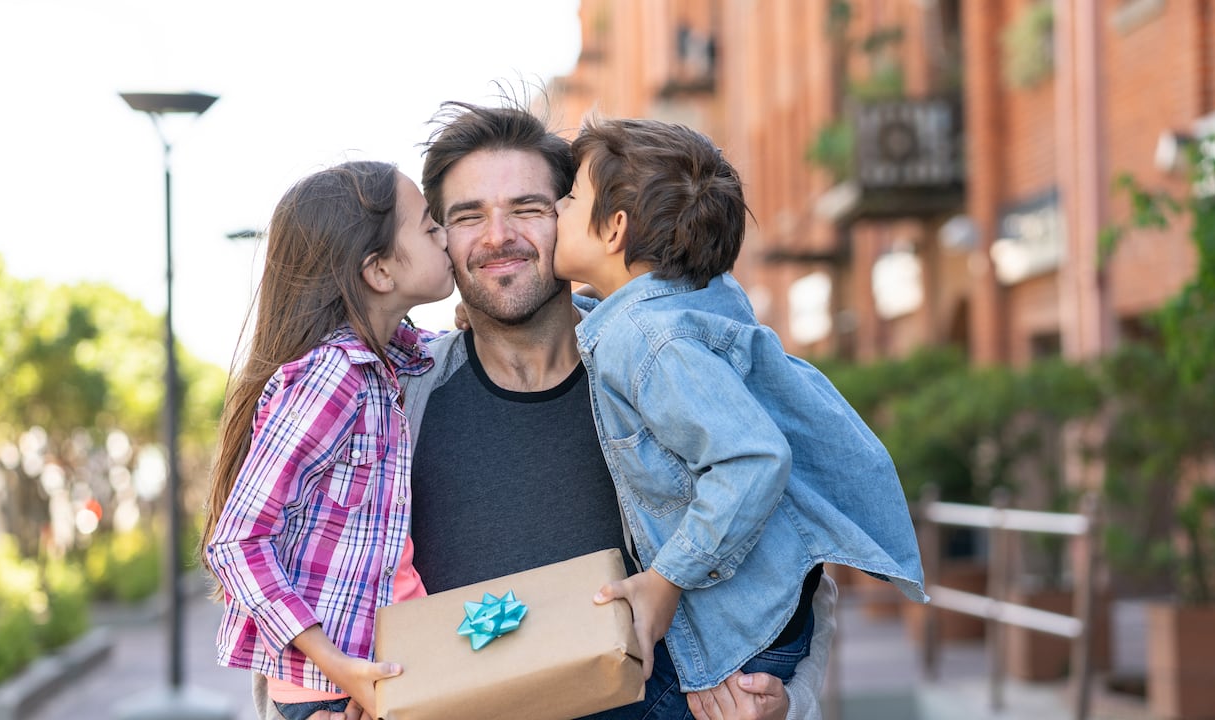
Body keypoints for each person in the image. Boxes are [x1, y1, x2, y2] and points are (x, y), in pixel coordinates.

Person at [261, 100, 832, 720]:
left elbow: (794, 568)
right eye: (467, 216)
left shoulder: (667, 374)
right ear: (439, 240)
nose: (498, 236)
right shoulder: (391, 401)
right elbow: (299, 577)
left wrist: (784, 703)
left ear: (580, 221)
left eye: (529, 208)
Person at [552, 116, 928, 693]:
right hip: (774, 606)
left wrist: (665, 580)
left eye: (572, 197)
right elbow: (634, 333)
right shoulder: (693, 301)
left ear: (615, 230)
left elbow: (753, 459)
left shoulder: (647, 340)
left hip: (745, 634)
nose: (556, 207)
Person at [203, 160, 455, 720]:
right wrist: (340, 669)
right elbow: (237, 542)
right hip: (334, 685)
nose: (445, 236)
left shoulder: (390, 359)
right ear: (379, 271)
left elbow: (449, 346)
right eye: (429, 226)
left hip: (377, 666)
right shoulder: (333, 375)